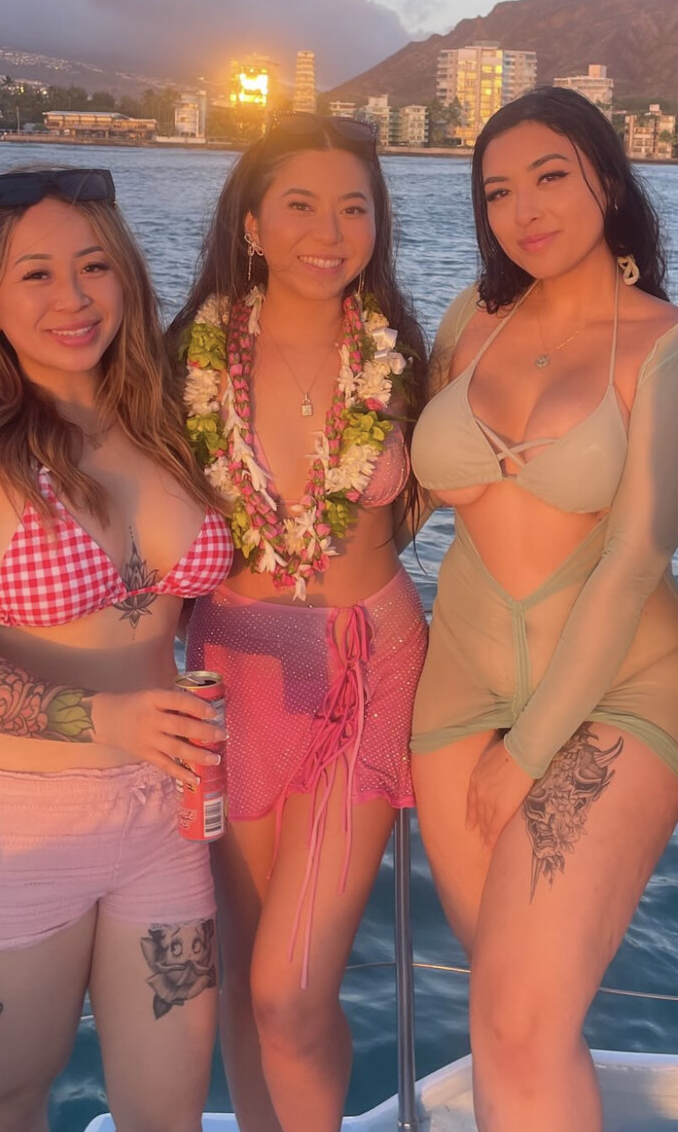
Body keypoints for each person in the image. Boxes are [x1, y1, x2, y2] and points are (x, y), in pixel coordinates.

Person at [409, 86, 678, 1132]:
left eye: (550, 176)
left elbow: (632, 564)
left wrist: (529, 751)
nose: (524, 209)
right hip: (458, 688)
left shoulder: (671, 347)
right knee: (510, 1005)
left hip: (616, 691)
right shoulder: (470, 319)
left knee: (517, 1021)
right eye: (497, 191)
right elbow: (402, 493)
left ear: (609, 182)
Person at [0, 166, 232, 1132]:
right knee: (12, 1096)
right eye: (37, 275)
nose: (73, 297)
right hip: (11, 824)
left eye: (95, 266)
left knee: (169, 1113)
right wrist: (106, 716)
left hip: (165, 813)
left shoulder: (175, 428)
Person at [175, 115, 428, 1132]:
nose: (330, 232)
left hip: (368, 666)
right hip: (232, 672)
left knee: (290, 986)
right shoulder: (181, 358)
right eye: (300, 205)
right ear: (251, 224)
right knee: (244, 971)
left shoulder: (406, 357)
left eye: (354, 208)